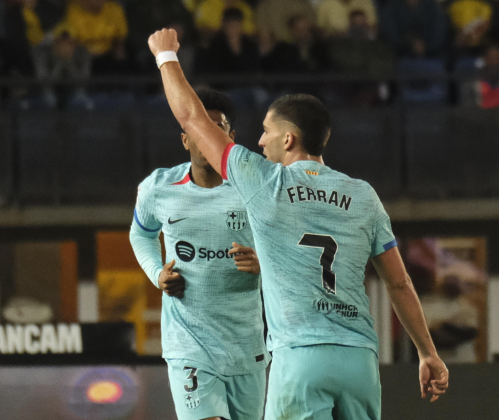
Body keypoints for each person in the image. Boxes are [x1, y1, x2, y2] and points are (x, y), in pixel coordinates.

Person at [147, 28, 449, 419]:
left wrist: (165, 57)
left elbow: (192, 118)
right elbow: (399, 282)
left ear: (289, 140)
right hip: (360, 361)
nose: (259, 141)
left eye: (267, 132)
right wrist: (428, 353)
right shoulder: (363, 195)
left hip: (301, 358)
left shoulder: (266, 184)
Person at [129, 87, 270, 420]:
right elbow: (141, 234)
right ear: (185, 139)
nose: (207, 136)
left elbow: (288, 246)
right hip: (189, 343)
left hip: (245, 346)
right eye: (199, 128)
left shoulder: (256, 185)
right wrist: (157, 274)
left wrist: (263, 263)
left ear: (229, 138)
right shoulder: (159, 187)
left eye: (216, 128)